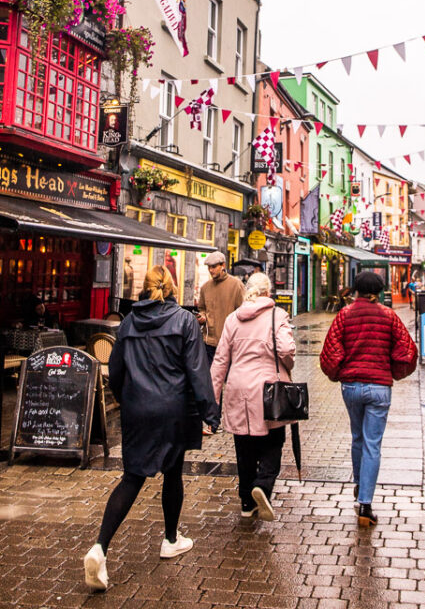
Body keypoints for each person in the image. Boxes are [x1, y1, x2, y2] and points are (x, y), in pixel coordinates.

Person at [83, 265, 220, 592]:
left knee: (132, 477)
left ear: (143, 289)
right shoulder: (185, 321)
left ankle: (100, 547)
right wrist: (210, 413)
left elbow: (115, 370)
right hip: (173, 410)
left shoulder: (128, 323)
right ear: (172, 288)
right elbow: (197, 371)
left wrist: (128, 399)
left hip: (138, 410)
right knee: (173, 473)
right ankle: (170, 539)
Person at [320, 270, 417, 528]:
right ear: (378, 292)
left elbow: (331, 348)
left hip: (351, 386)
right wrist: (395, 371)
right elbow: (405, 350)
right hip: (379, 387)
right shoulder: (389, 316)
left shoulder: (344, 314)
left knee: (357, 437)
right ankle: (365, 503)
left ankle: (358, 483)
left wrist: (336, 373)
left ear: (356, 291)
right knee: (373, 443)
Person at [211, 272, 295, 522]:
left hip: (238, 388)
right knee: (273, 442)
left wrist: (212, 402)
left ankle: (247, 502)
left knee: (244, 447)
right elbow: (287, 349)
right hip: (269, 391)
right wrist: (287, 364)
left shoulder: (232, 319)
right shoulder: (277, 315)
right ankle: (263, 485)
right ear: (268, 293)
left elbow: (220, 361)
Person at [197, 251, 244, 366]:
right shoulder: (205, 287)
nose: (211, 270)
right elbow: (202, 308)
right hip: (209, 343)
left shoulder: (236, 285)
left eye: (213, 267)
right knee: (210, 379)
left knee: (228, 380)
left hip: (229, 342)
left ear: (223, 265)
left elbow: (243, 311)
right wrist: (202, 316)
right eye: (209, 267)